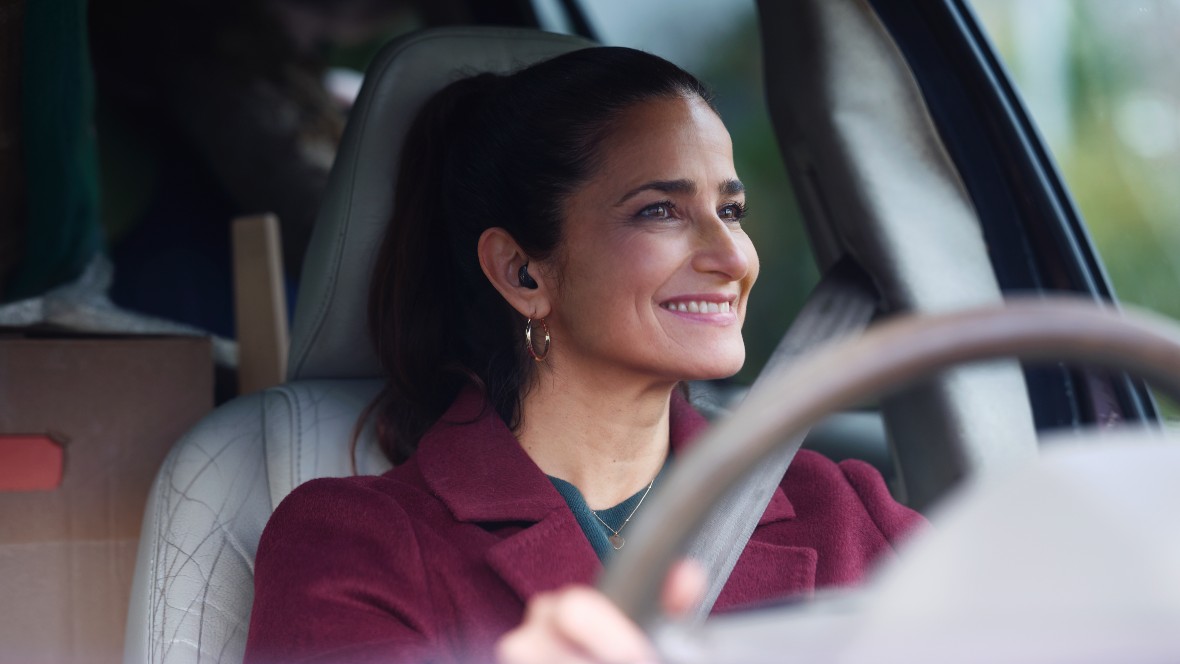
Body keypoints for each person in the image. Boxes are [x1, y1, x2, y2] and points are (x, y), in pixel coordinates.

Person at [244, 46, 923, 664]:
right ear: (522, 273)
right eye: (661, 211)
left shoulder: (841, 505)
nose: (732, 257)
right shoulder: (354, 544)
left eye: (732, 211)